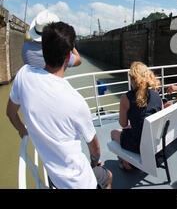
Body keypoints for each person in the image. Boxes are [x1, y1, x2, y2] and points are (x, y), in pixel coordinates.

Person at [6, 22, 112, 189]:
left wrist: (21, 129)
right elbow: (95, 147)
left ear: (43, 48)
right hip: (81, 183)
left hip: (54, 179)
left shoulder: (23, 75)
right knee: (107, 176)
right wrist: (94, 161)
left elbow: (10, 113)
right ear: (68, 55)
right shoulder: (76, 101)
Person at [110, 61, 163, 171]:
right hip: (155, 141)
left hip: (139, 144)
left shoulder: (126, 97)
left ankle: (126, 163)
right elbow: (160, 117)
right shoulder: (157, 95)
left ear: (133, 79)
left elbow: (123, 124)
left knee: (114, 133)